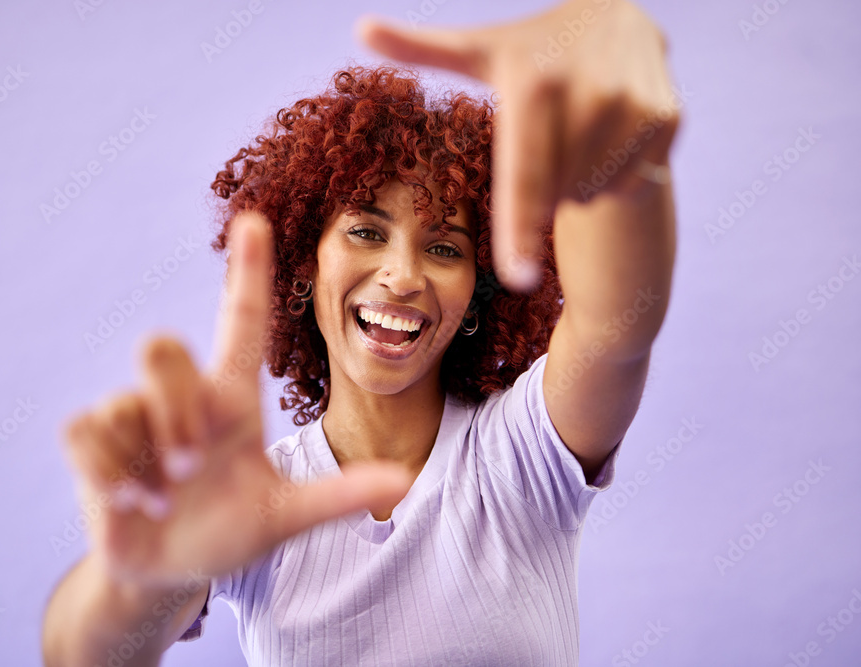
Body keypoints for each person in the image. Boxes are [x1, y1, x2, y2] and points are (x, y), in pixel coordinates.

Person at [41, 0, 679, 664]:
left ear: (477, 293)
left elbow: (616, 324)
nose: (402, 275)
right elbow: (83, 651)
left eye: (446, 248)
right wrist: (139, 577)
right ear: (303, 262)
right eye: (367, 231)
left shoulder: (520, 457)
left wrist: (620, 169)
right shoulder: (252, 494)